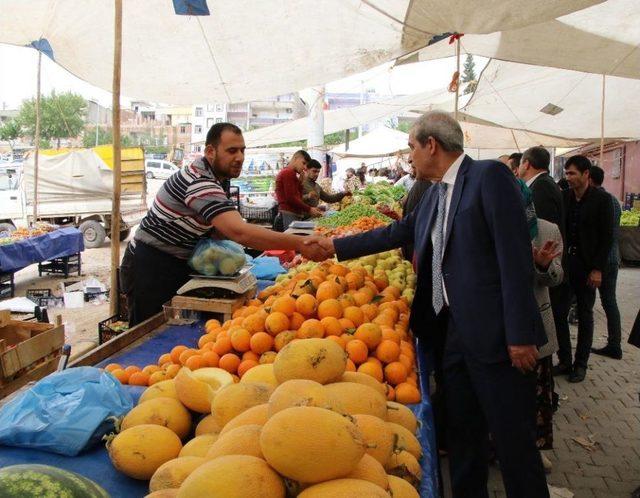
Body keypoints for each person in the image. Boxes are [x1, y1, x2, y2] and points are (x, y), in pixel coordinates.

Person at [308, 111, 549, 498]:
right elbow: (400, 231)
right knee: (462, 435)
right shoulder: (436, 191)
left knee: (512, 443)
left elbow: (514, 256)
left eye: (411, 149)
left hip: (496, 336)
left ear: (431, 145)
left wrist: (520, 333)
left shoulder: (488, 177)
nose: (409, 158)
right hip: (451, 331)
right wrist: (334, 246)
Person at [123, 123, 328, 326]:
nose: (239, 157)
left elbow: (224, 230)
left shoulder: (217, 179)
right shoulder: (200, 181)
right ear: (210, 151)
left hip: (177, 262)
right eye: (232, 151)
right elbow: (238, 231)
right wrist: (300, 243)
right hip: (150, 266)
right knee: (148, 331)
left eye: (242, 150)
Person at [516, 180, 564, 472]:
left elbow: (557, 278)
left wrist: (544, 265)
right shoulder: (494, 225)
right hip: (504, 327)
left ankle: (536, 449)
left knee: (536, 393)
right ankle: (500, 444)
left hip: (538, 325)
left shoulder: (547, 229)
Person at [554, 155, 614, 382]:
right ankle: (565, 360)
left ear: (586, 174)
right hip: (565, 265)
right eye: (567, 173)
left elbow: (606, 238)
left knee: (585, 314)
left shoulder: (602, 200)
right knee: (559, 313)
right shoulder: (565, 197)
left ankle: (581, 364)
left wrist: (597, 269)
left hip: (587, 266)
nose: (568, 177)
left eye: (572, 173)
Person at [589, 165, 623, 359]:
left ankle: (614, 345)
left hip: (603, 260)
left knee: (604, 301)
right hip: (612, 257)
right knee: (610, 301)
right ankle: (615, 343)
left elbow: (604, 235)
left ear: (589, 178)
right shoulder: (613, 200)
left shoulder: (600, 201)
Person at [275, 150, 322, 230]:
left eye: (306, 165)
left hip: (291, 215)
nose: (304, 167)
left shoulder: (292, 174)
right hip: (287, 214)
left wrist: (300, 183)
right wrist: (309, 209)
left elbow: (298, 197)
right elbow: (291, 198)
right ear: (295, 158)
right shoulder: (288, 172)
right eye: (303, 163)